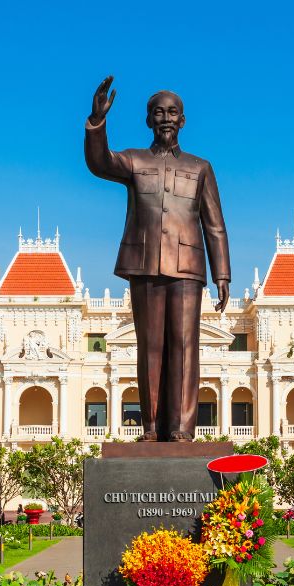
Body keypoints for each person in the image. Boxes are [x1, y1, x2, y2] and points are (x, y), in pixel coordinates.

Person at [85, 76, 230, 441]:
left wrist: (222, 275)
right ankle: (151, 427)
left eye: (173, 112)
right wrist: (97, 122)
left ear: (183, 120)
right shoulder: (134, 160)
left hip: (188, 268)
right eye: (158, 112)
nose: (166, 118)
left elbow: (215, 225)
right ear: (148, 119)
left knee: (184, 346)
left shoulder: (201, 168)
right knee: (149, 346)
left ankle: (182, 429)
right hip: (145, 263)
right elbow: (100, 162)